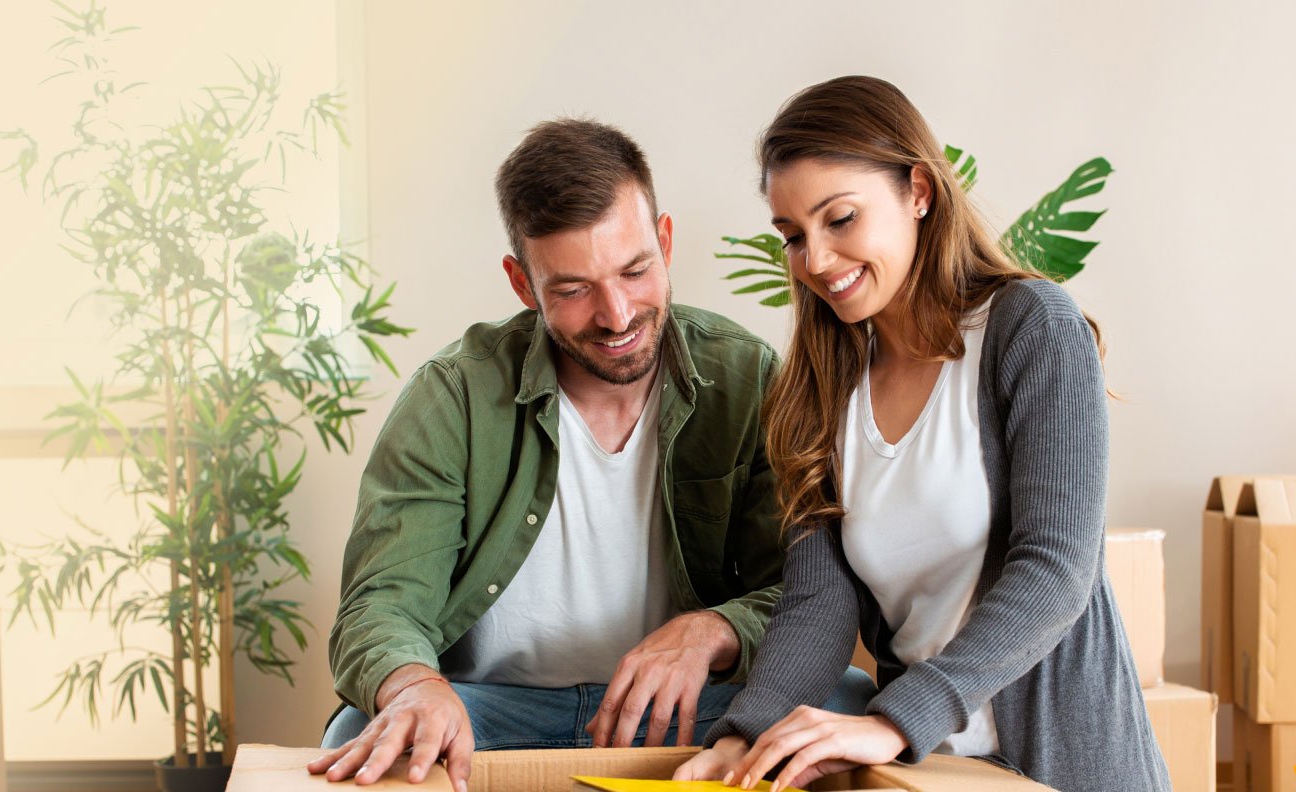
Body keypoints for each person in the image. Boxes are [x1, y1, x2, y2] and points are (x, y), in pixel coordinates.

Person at [309, 118, 875, 791]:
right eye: (573, 290)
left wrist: (714, 631)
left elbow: (803, 592)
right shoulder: (453, 396)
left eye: (635, 271)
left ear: (664, 243)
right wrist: (412, 686)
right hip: (491, 713)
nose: (616, 315)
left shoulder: (748, 377)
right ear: (523, 285)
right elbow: (381, 604)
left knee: (843, 701)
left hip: (688, 717)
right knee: (359, 731)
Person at [674, 76, 1169, 792]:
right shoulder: (821, 388)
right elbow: (820, 601)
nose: (814, 260)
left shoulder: (1031, 331)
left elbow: (1058, 567)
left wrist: (894, 720)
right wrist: (747, 738)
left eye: (840, 218)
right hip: (931, 773)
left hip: (1062, 770)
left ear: (918, 192)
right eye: (793, 236)